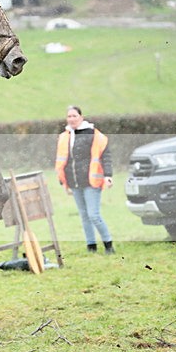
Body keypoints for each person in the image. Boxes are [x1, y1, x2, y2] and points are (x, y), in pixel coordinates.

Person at [55, 106, 115, 254]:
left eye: (74, 116)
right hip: (74, 182)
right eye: (69, 116)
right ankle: (91, 246)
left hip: (91, 181)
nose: (71, 119)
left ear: (81, 117)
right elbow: (62, 159)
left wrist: (108, 175)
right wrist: (63, 180)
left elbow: (105, 156)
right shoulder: (65, 136)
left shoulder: (94, 134)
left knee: (93, 215)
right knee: (84, 215)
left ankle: (108, 244)